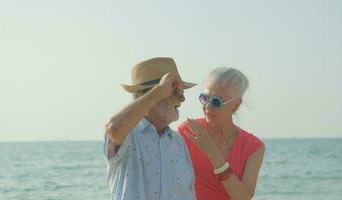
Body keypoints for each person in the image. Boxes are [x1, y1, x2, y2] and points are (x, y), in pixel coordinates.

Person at [103, 57, 197, 200]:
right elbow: (113, 129)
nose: (182, 98)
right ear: (152, 93)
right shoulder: (128, 135)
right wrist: (159, 91)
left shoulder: (178, 142)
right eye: (176, 90)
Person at [178, 67, 265, 200]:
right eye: (205, 98)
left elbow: (243, 197)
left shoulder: (253, 147)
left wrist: (213, 153)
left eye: (216, 101)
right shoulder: (188, 131)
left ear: (236, 104)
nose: (208, 106)